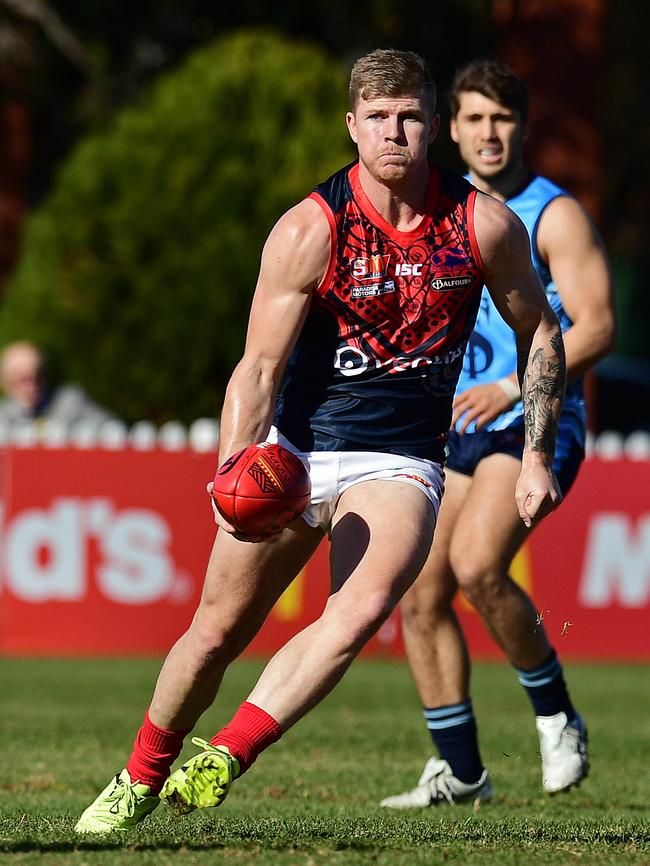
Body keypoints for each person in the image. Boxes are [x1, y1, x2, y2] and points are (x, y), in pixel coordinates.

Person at [76, 48, 567, 834]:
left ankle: (227, 754)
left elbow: (542, 331)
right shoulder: (312, 225)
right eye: (378, 118)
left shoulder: (482, 223)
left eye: (410, 116)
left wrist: (536, 454)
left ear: (434, 126)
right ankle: (138, 775)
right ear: (353, 126)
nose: (394, 132)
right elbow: (259, 365)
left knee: (364, 605)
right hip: (294, 451)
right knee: (212, 634)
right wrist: (233, 467)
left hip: (400, 459)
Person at [380, 59, 615, 809]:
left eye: (502, 118)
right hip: (460, 430)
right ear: (451, 128)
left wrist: (517, 383)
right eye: (475, 118)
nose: (488, 132)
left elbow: (599, 325)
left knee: (480, 565)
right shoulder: (441, 211)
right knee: (418, 592)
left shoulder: (554, 214)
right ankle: (461, 773)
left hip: (537, 421)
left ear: (522, 128)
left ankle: (556, 716)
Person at [0, 340, 115, 427]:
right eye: (24, 380)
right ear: (6, 383)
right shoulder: (3, 416)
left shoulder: (72, 403)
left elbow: (112, 430)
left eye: (38, 377)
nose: (33, 386)